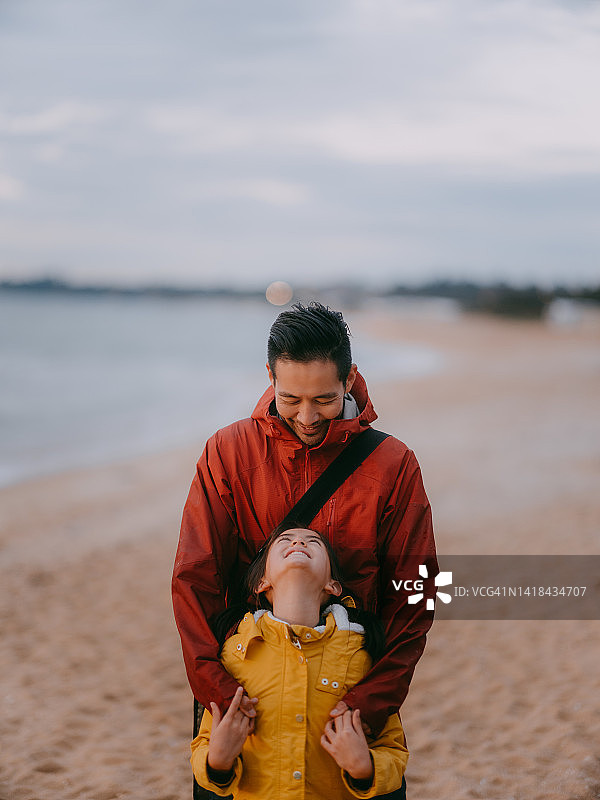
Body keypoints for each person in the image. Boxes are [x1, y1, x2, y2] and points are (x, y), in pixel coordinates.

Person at [173, 302, 437, 795]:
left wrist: (368, 703)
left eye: (325, 399)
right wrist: (222, 695)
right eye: (290, 398)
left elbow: (415, 594)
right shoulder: (227, 452)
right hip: (245, 690)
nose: (308, 417)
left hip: (351, 693)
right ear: (269, 377)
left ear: (350, 379)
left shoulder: (393, 463)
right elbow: (195, 581)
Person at [191, 525, 409, 798]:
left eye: (313, 542)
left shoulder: (361, 654)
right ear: (262, 583)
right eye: (285, 540)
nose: (298, 542)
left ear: (333, 585)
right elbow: (203, 744)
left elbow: (393, 748)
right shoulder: (235, 653)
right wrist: (217, 762)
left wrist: (364, 768)